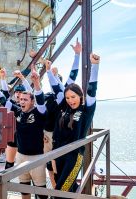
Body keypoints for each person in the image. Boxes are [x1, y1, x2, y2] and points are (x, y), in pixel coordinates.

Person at [0, 66, 47, 199]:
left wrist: (36, 82)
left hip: (36, 158)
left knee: (41, 193)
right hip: (20, 156)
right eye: (21, 100)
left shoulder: (39, 112)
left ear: (32, 102)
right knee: (24, 190)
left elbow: (41, 99)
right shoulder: (18, 112)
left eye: (25, 100)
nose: (22, 102)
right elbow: (3, 100)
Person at [46, 53, 100, 198]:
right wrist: (48, 71)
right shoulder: (64, 107)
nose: (70, 100)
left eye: (73, 97)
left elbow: (92, 89)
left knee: (60, 191)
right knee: (68, 188)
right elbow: (56, 88)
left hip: (74, 156)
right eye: (68, 97)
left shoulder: (86, 109)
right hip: (58, 154)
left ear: (80, 96)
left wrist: (95, 66)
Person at [43, 38, 82, 188]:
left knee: (67, 181)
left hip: (68, 146)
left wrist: (77, 55)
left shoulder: (66, 93)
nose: (70, 99)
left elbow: (73, 73)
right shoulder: (56, 98)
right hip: (54, 140)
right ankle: (56, 191)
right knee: (55, 172)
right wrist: (48, 70)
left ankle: (59, 192)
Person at [0, 68, 32, 169]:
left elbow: (31, 93)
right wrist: (3, 79)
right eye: (16, 91)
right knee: (9, 164)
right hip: (13, 137)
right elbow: (5, 95)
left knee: (26, 166)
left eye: (20, 92)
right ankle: (6, 184)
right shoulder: (12, 104)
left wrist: (22, 77)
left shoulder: (30, 105)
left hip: (25, 138)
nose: (18, 93)